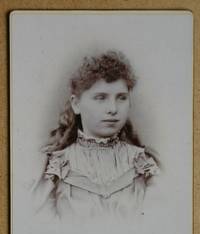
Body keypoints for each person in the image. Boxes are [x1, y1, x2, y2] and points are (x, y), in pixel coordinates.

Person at [31, 50, 159, 222]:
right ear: (76, 104)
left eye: (121, 98)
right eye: (101, 98)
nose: (113, 108)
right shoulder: (54, 167)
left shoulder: (145, 165)